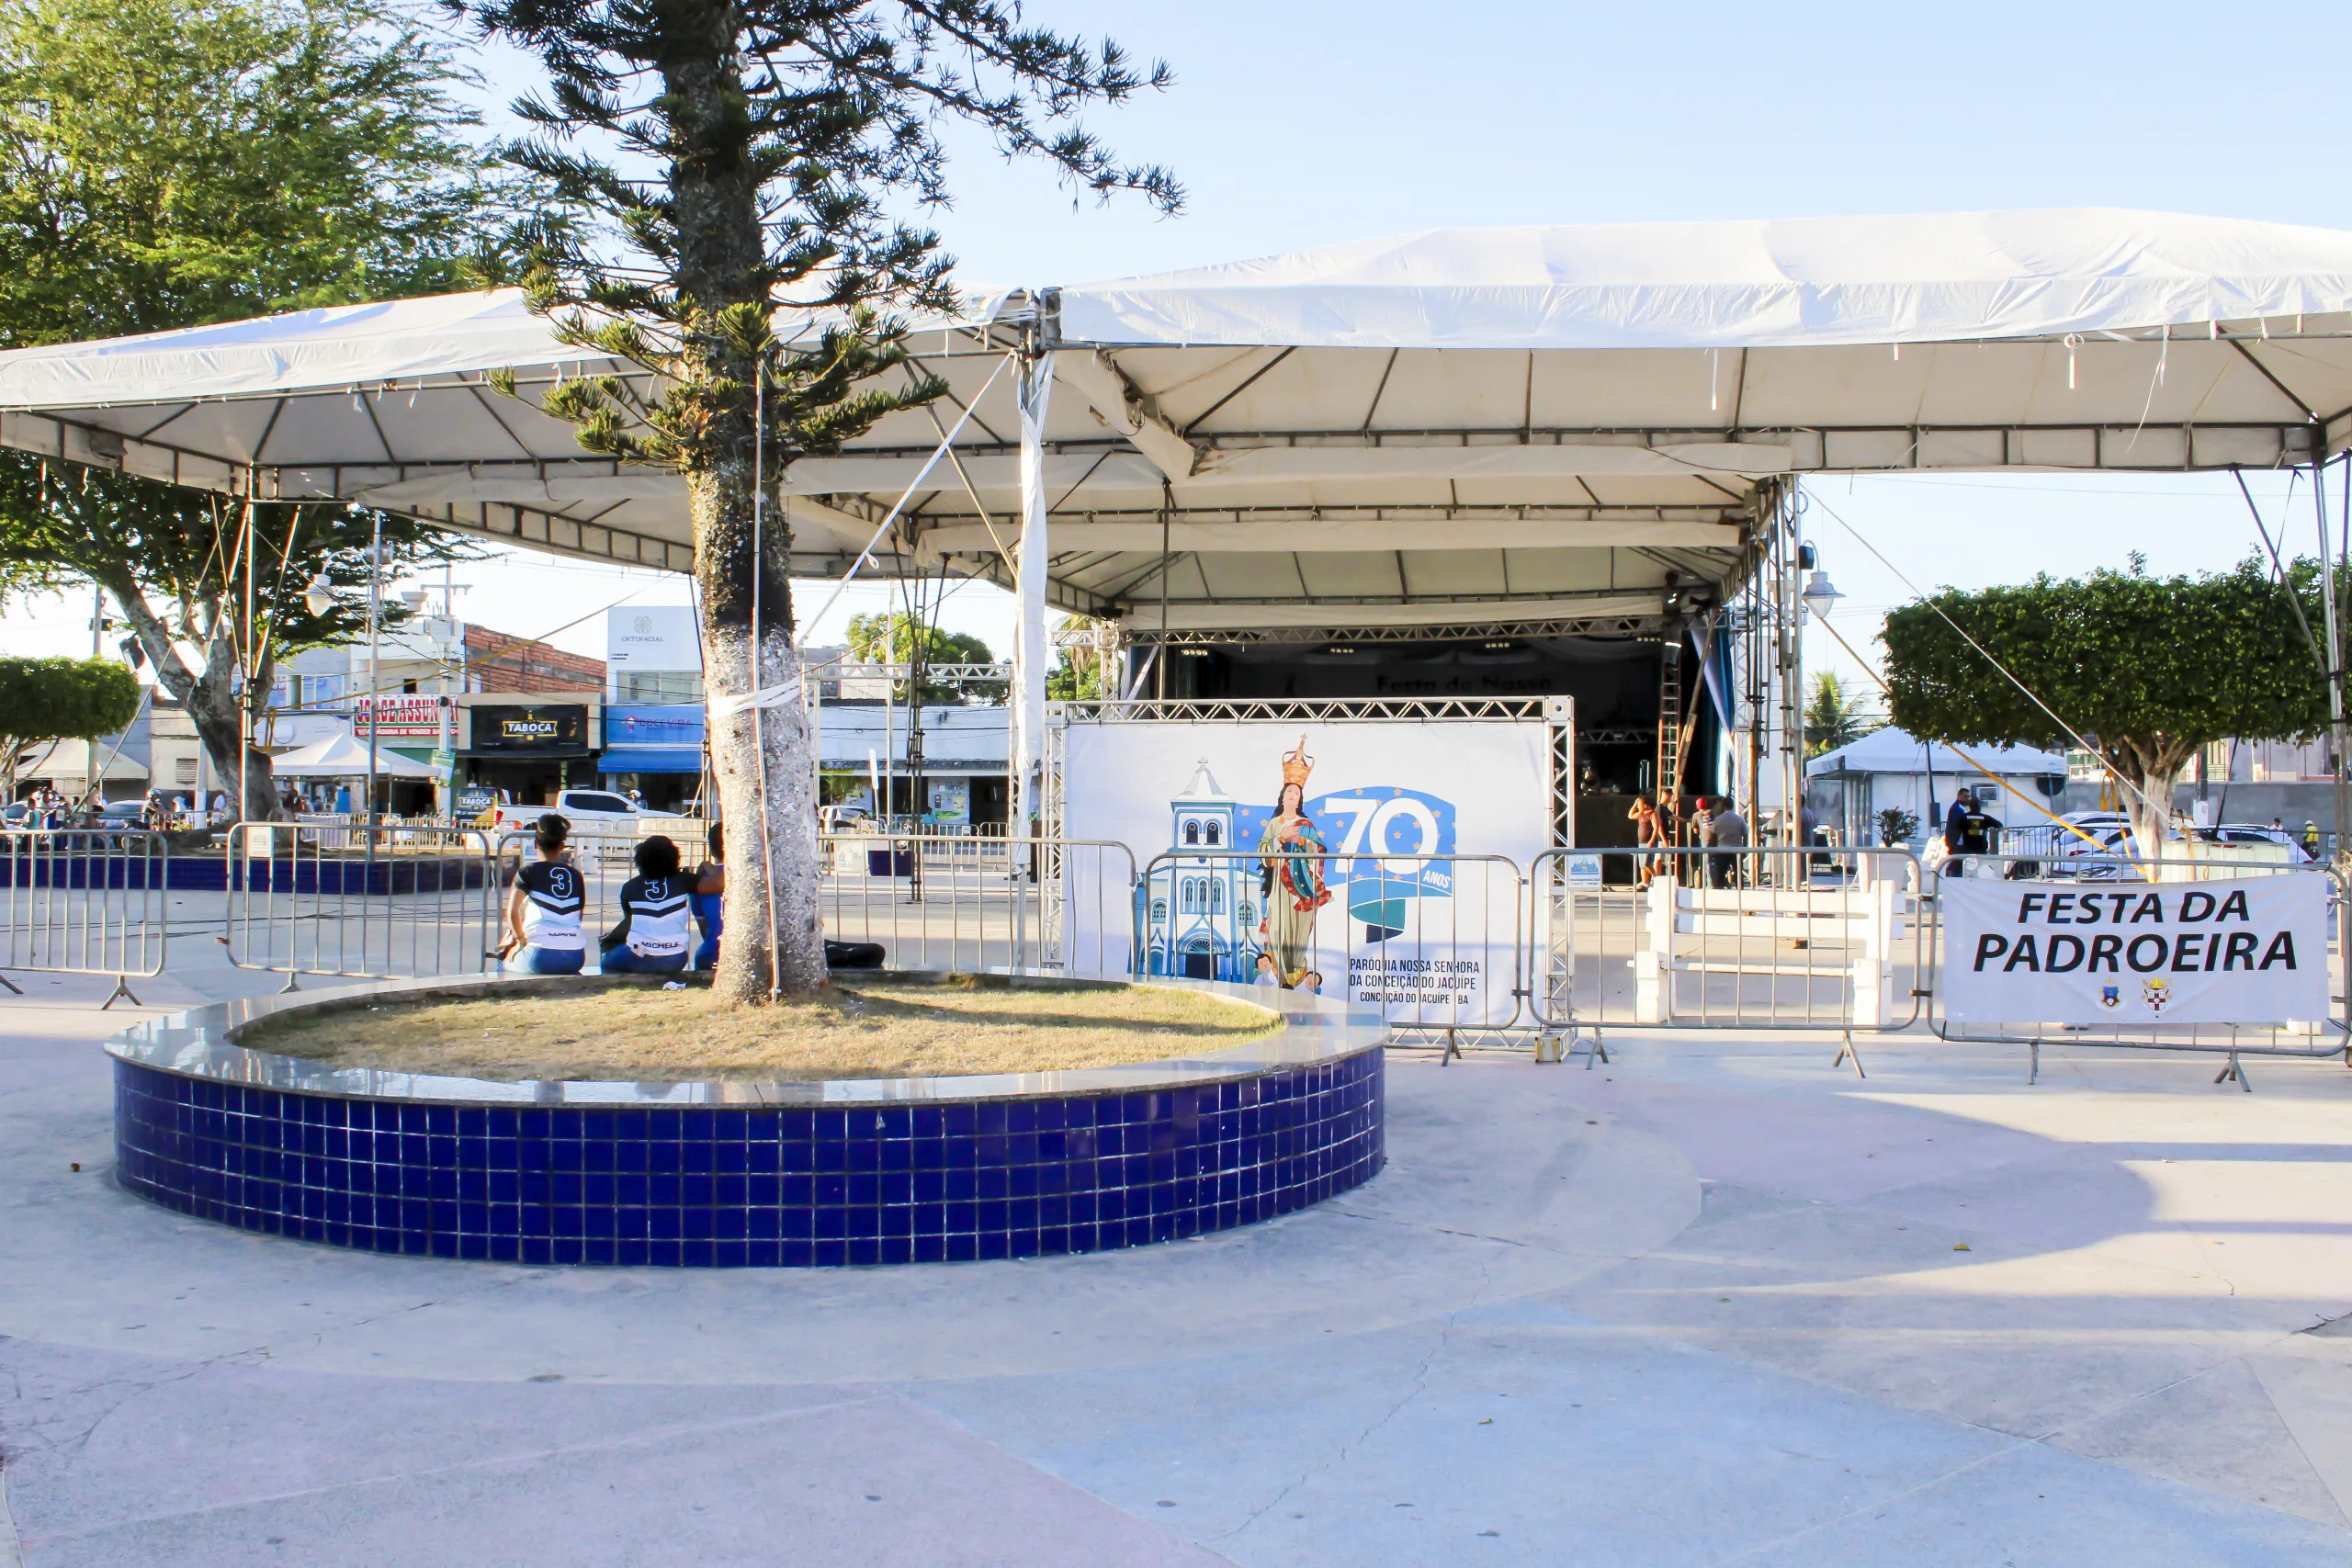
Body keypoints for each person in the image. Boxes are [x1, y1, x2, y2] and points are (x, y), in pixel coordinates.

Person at [1254, 738, 1331, 991]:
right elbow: (1263, 850)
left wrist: (1298, 839)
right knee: (1277, 924)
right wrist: (1280, 839)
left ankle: (1293, 978)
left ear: (1299, 799)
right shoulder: (1275, 823)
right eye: (1289, 790)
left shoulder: (1305, 824)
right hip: (1279, 886)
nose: (1292, 794)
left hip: (1300, 887)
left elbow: (1318, 850)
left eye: (1296, 792)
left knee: (1297, 930)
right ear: (1283, 794)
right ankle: (1277, 975)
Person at [500, 814, 585, 974]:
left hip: (541, 955)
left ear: (535, 844)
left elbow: (512, 912)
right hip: (576, 956)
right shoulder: (576, 875)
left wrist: (520, 941)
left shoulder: (527, 871)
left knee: (505, 963)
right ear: (562, 845)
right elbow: (579, 916)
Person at [600, 835, 695, 974]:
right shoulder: (685, 881)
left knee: (608, 960)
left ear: (641, 860)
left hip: (639, 956)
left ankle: (614, 986)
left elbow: (630, 923)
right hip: (676, 959)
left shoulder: (630, 887)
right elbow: (716, 883)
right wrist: (705, 867)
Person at [691, 821, 725, 971]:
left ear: (711, 849)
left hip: (712, 953)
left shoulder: (701, 881)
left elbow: (704, 930)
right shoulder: (760, 877)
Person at [1707, 796, 1748, 887]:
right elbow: (1745, 835)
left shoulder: (1718, 819)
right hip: (1737, 850)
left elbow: (1713, 836)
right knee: (1738, 873)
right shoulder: (1740, 819)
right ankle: (1740, 891)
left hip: (1722, 850)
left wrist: (1711, 849)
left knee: (1720, 874)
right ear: (1733, 806)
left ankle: (1722, 890)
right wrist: (1744, 848)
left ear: (1723, 806)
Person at [1627, 795, 1664, 886]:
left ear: (1645, 805)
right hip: (1642, 843)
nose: (1639, 807)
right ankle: (1645, 882)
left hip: (1649, 842)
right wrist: (1635, 804)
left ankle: (1656, 878)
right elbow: (1630, 816)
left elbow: (1656, 828)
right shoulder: (1641, 814)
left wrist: (1652, 840)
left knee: (1646, 863)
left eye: (1640, 805)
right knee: (1642, 864)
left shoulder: (1653, 814)